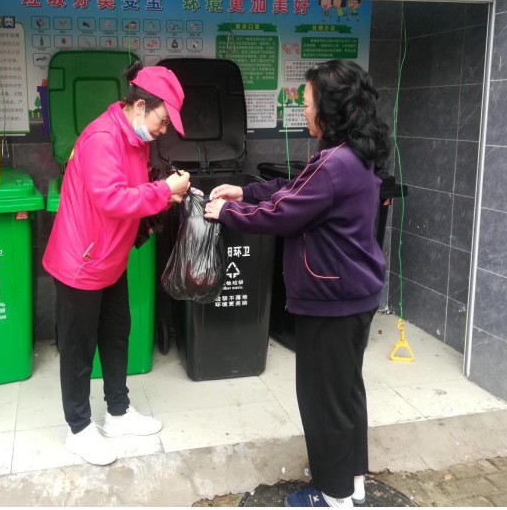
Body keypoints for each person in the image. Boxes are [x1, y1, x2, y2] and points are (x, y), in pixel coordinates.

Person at [205, 59, 390, 507]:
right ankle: (351, 483)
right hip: (353, 294)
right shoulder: (352, 154)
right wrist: (246, 191)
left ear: (329, 107)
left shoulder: (335, 163)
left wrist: (227, 212)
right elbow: (298, 190)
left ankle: (333, 495)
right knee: (345, 393)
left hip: (332, 299)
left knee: (322, 399)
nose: (303, 110)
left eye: (307, 103)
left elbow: (285, 213)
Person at [42, 61, 191, 466]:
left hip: (110, 257)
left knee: (116, 334)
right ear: (140, 106)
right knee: (78, 349)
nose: (163, 131)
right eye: (163, 121)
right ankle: (78, 429)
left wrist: (165, 193)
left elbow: (132, 191)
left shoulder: (135, 139)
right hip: (81, 261)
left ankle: (118, 413)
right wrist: (162, 190)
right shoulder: (102, 138)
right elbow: (111, 199)